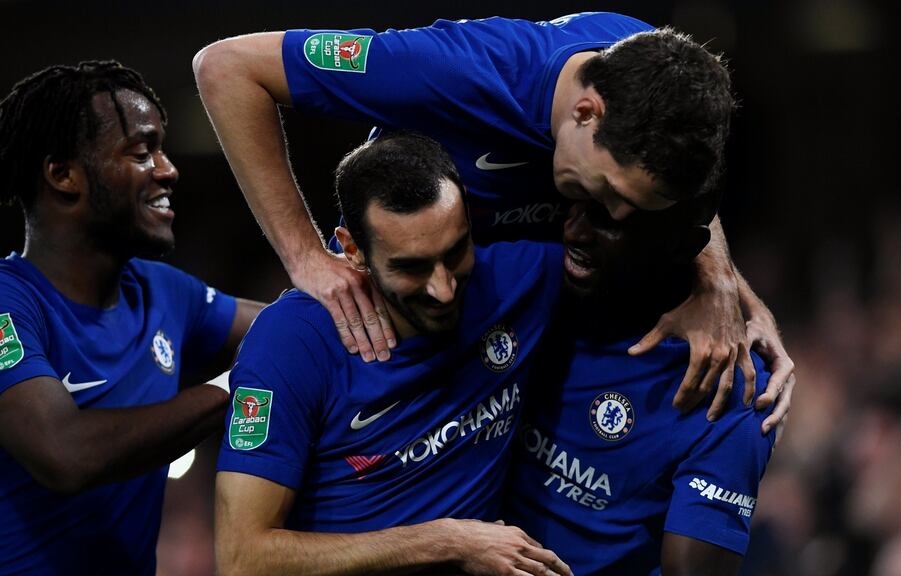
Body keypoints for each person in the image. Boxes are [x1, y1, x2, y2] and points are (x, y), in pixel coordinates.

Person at [192, 13, 794, 430]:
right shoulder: (455, 70)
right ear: (586, 112)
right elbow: (226, 68)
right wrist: (304, 257)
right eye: (609, 193)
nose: (615, 219)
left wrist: (719, 281)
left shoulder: (655, 74)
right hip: (385, 338)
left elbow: (687, 198)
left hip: (509, 347)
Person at [214, 132, 571, 576]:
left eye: (455, 252)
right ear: (353, 249)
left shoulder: (516, 281)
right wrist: (446, 541)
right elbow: (242, 559)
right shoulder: (293, 341)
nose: (443, 289)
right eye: (411, 267)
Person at [0, 61, 263, 575]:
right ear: (63, 175)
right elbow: (64, 454)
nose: (168, 170)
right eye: (142, 153)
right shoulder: (11, 302)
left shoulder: (163, 292)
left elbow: (290, 328)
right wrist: (239, 386)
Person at [504, 197, 777, 575]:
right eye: (577, 200)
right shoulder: (528, 283)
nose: (575, 231)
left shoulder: (732, 385)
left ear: (682, 246)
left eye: (609, 221)